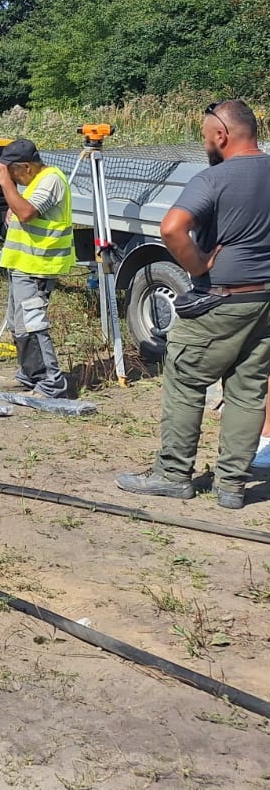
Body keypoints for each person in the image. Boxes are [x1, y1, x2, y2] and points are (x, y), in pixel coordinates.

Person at [118, 100, 270, 510]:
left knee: (186, 381)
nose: (205, 144)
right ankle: (232, 487)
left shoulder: (214, 178)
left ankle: (172, 475)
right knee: (248, 390)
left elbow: (172, 227)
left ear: (221, 136)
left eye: (205, 137)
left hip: (221, 300)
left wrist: (199, 264)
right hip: (265, 301)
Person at [0, 137, 74, 398]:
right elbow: (21, 211)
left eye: (12, 171)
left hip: (38, 265)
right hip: (23, 264)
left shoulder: (51, 180)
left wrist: (6, 184)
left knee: (32, 325)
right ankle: (29, 375)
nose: (11, 177)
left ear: (26, 167)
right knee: (18, 323)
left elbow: (26, 213)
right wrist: (12, 206)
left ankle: (51, 383)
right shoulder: (34, 181)